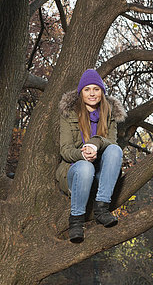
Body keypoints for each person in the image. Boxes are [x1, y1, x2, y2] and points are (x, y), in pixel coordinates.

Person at [56, 69, 126, 243]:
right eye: (87, 89)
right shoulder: (69, 114)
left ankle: (102, 208)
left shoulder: (108, 114)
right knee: (85, 167)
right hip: (75, 171)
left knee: (115, 150)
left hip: (100, 174)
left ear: (102, 92)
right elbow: (65, 150)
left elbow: (111, 144)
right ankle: (76, 221)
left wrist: (95, 143)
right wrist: (83, 154)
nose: (92, 93)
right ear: (81, 93)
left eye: (96, 89)